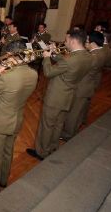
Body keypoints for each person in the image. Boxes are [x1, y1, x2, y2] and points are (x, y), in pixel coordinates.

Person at [0, 41, 38, 194]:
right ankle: (3, 179)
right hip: (16, 118)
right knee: (7, 151)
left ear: (10, 55)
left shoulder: (7, 75)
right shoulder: (33, 73)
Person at [27, 29, 91, 160]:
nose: (64, 43)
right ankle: (52, 146)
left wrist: (46, 58)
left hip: (55, 97)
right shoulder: (87, 56)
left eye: (66, 40)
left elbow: (49, 72)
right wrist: (54, 54)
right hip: (69, 95)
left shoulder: (70, 60)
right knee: (58, 124)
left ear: (73, 41)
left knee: (47, 125)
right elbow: (67, 63)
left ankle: (41, 152)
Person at [61, 31, 111, 140]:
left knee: (73, 113)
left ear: (93, 43)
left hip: (82, 87)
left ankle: (68, 134)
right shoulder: (101, 52)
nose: (85, 44)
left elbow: (79, 67)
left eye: (87, 41)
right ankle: (73, 129)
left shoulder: (93, 56)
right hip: (88, 85)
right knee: (79, 111)